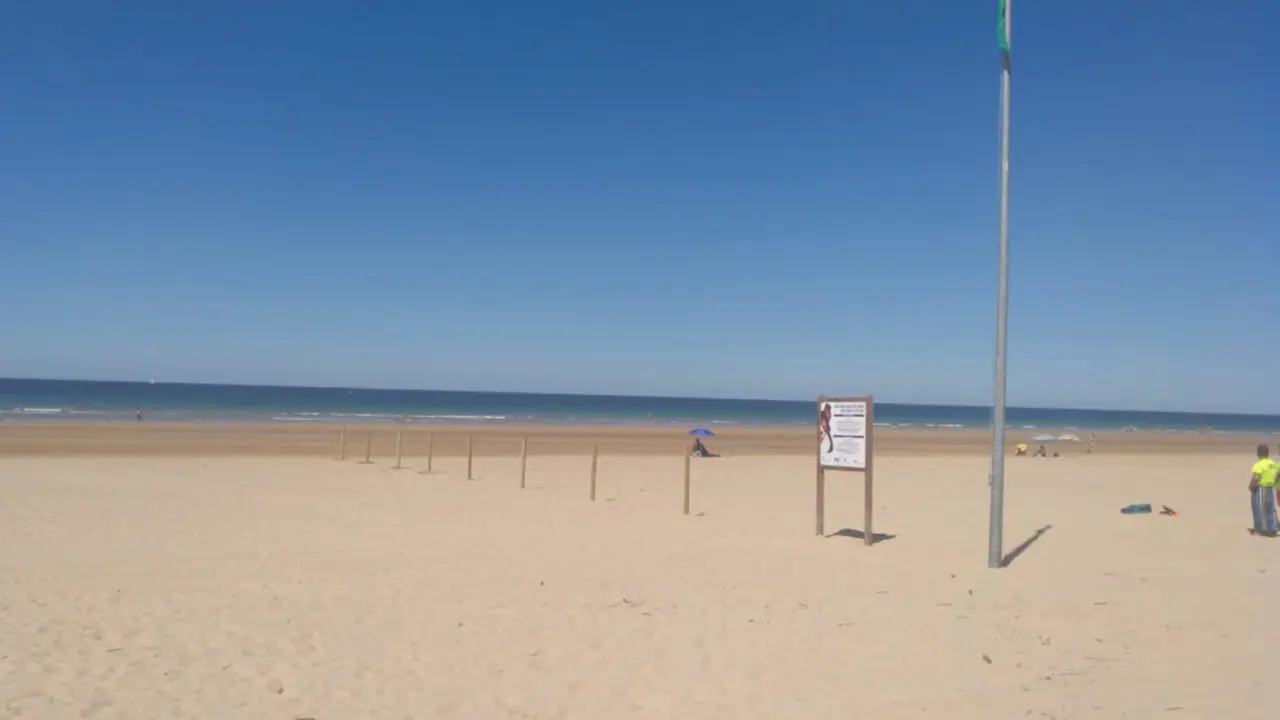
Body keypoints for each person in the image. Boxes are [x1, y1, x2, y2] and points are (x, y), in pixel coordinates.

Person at [1248, 444, 1279, 536]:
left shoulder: (1259, 464)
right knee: (1270, 508)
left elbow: (1257, 477)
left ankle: (1261, 529)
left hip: (1261, 488)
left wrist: (1251, 485)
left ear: (1258, 453)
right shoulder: (1274, 464)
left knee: (1259, 508)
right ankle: (1273, 527)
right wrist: (1274, 481)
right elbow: (1278, 474)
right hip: (1270, 487)